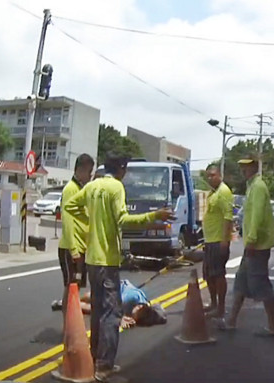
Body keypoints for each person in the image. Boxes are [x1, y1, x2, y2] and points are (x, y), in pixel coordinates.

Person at [64, 153, 174, 382]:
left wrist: (91, 220)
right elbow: (123, 220)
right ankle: (104, 365)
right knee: (111, 314)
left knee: (97, 310)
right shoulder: (116, 188)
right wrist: (155, 215)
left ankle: (95, 356)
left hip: (92, 259)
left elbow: (71, 205)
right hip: (107, 260)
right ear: (122, 169)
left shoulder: (93, 186)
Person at [215, 153, 274, 337]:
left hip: (257, 245)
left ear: (255, 167)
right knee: (241, 282)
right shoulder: (252, 186)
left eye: (247, 166)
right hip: (252, 244)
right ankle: (231, 321)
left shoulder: (258, 187)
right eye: (242, 166)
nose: (243, 170)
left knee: (261, 284)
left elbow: (257, 216)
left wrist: (251, 240)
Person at [52, 154, 95, 316]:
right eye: (89, 172)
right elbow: (67, 221)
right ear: (81, 170)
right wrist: (74, 249)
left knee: (75, 286)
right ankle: (68, 327)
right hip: (70, 248)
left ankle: (71, 325)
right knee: (71, 286)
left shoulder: (80, 189)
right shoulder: (71, 189)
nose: (90, 176)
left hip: (79, 246)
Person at [202, 164, 234, 319]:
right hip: (209, 240)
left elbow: (228, 217)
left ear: (220, 175)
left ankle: (220, 307)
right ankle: (213, 303)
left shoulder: (223, 192)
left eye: (213, 175)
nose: (210, 178)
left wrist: (224, 240)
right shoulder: (212, 193)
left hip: (218, 240)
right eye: (208, 176)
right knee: (208, 275)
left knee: (218, 274)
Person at [77, 279, 167, 329]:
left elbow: (162, 317)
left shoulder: (144, 310)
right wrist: (120, 319)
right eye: (134, 315)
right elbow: (110, 308)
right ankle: (74, 302)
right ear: (139, 307)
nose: (132, 316)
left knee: (93, 310)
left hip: (121, 299)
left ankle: (76, 304)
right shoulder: (129, 299)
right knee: (93, 299)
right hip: (116, 289)